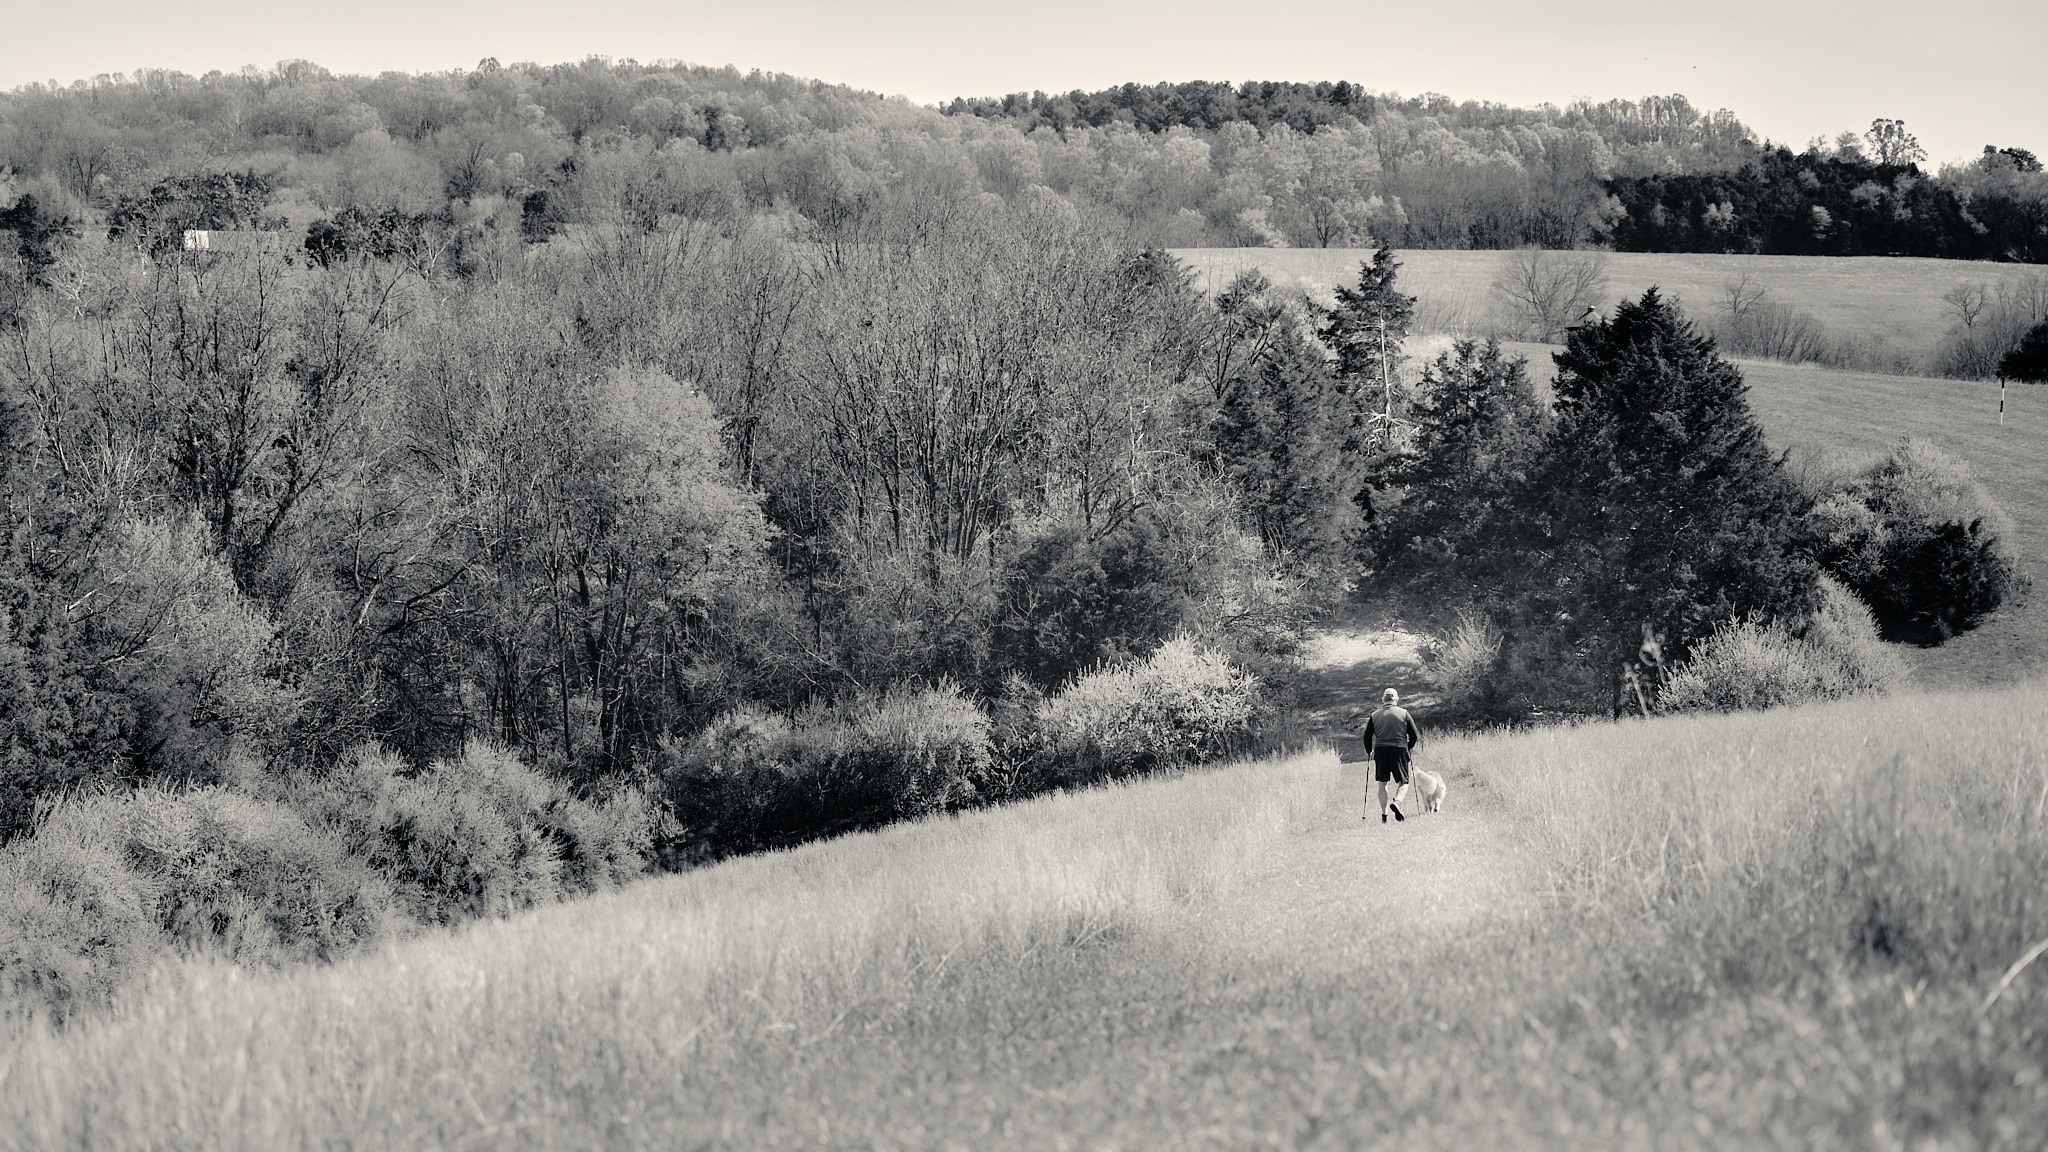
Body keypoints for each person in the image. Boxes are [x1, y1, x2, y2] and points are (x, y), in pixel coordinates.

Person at [1363, 687, 1422, 823]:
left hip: (1381, 750)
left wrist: (1368, 749)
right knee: (1403, 782)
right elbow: (1414, 735)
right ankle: (1397, 802)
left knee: (1382, 784)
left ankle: (1384, 816)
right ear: (1397, 699)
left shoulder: (1374, 715)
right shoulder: (1404, 713)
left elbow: (1367, 735)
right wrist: (1408, 747)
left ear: (1383, 699)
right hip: (1399, 749)